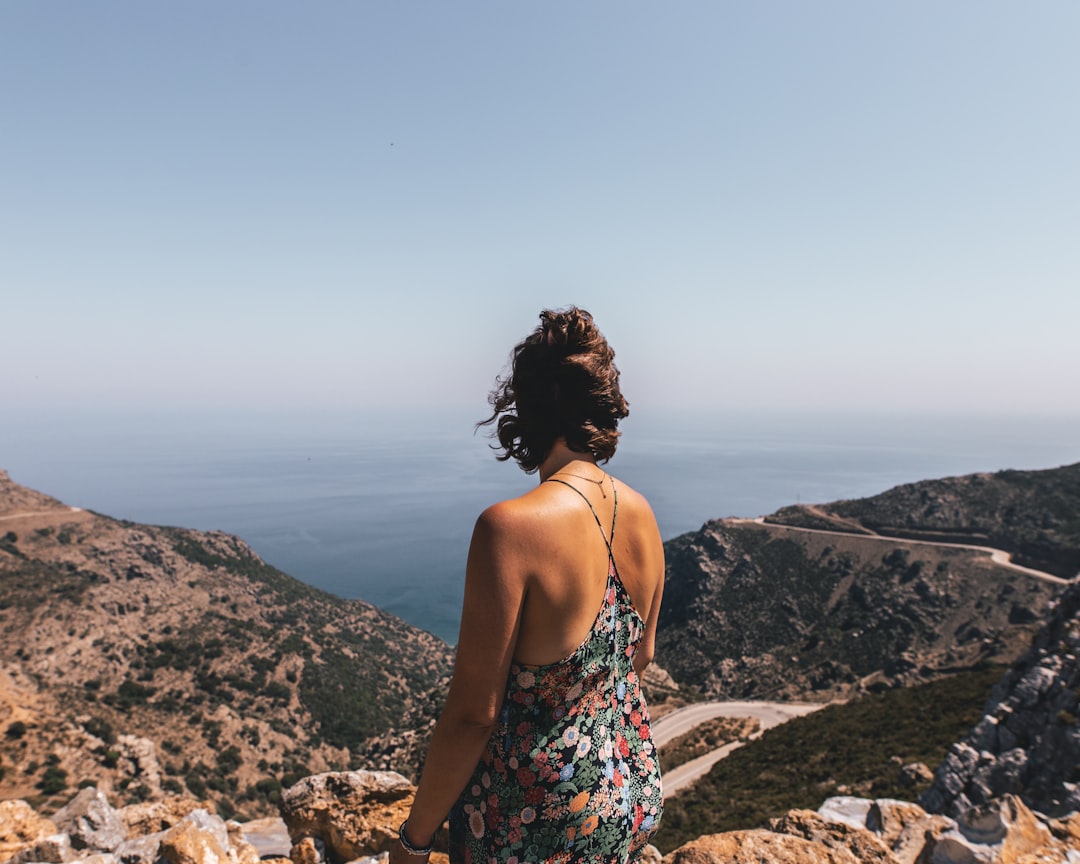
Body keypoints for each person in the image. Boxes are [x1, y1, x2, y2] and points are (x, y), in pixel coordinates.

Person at [390, 307, 665, 864]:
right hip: (628, 788)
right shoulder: (643, 515)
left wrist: (413, 842)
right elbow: (640, 659)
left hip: (541, 816)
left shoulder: (510, 528)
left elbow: (474, 713)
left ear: (524, 410)